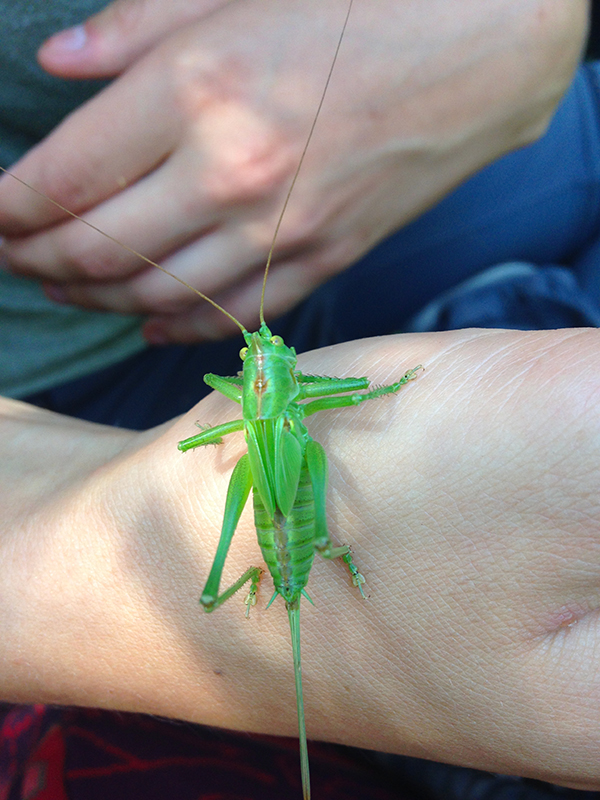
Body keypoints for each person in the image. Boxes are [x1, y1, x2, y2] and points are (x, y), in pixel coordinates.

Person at [0, 1, 599, 798]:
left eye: (265, 352)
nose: (268, 350)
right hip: (83, 391)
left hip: (259, 373)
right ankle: (297, 561)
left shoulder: (255, 392)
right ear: (273, 367)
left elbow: (242, 395)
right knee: (306, 450)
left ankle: (507, 307)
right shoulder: (278, 392)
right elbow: (328, 389)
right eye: (267, 353)